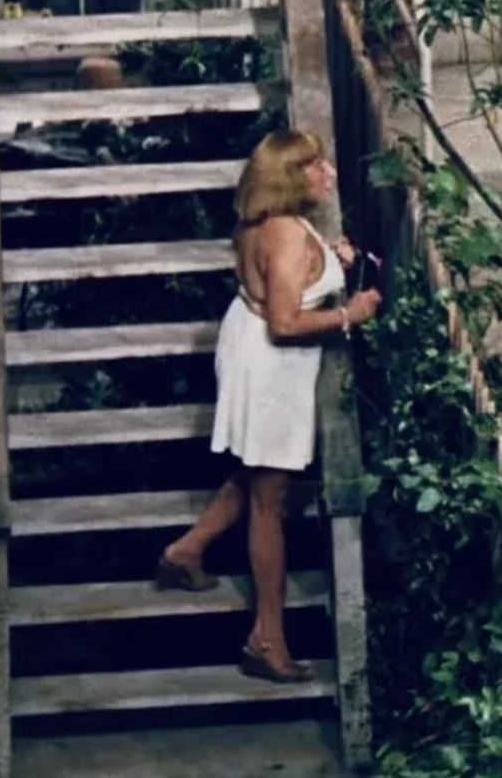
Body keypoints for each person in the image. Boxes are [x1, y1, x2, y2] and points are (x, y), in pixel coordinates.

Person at [153, 129, 382, 682]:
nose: (327, 172)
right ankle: (266, 638)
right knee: (269, 503)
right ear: (287, 176)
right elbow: (284, 322)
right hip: (270, 364)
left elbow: (289, 281)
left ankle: (187, 550)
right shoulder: (281, 234)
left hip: (252, 349)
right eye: (315, 166)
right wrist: (352, 312)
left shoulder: (264, 224)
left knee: (259, 474)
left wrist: (331, 257)